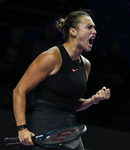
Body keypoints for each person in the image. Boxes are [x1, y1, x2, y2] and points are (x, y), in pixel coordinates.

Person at [13, 9, 111, 150]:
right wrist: (22, 128)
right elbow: (19, 91)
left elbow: (71, 104)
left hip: (69, 132)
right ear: (73, 32)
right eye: (89, 27)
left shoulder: (86, 65)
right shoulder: (51, 57)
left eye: (94, 27)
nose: (94, 31)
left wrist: (93, 100)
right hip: (43, 128)